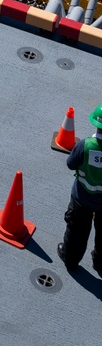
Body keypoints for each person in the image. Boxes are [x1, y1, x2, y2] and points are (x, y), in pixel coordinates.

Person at [58, 103, 102, 272]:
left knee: (77, 230)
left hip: (82, 198)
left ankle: (70, 258)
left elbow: (70, 164)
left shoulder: (85, 146)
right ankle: (100, 263)